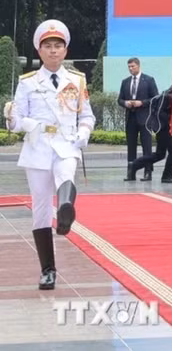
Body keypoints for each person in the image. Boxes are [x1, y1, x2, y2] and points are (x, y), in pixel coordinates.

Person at [3, 20, 95, 290]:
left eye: (58, 46)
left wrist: (84, 133)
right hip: (38, 146)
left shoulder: (76, 80)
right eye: (48, 46)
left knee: (66, 174)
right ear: (39, 51)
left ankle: (66, 210)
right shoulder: (28, 82)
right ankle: (48, 270)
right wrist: (14, 119)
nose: (53, 50)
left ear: (65, 50)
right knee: (41, 208)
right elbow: (17, 121)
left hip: (67, 143)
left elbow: (87, 116)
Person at [125, 83, 172, 183]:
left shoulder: (171, 93)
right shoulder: (170, 95)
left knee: (160, 154)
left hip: (161, 127)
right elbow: (161, 113)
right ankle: (166, 176)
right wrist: (171, 120)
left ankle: (134, 165)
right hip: (163, 127)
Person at [118, 58, 158, 179]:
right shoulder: (125, 82)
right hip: (131, 118)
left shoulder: (149, 80)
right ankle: (131, 172)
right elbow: (120, 99)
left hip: (144, 118)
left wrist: (142, 103)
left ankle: (148, 171)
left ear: (138, 66)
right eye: (129, 67)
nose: (131, 69)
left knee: (147, 146)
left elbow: (155, 98)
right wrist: (126, 103)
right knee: (131, 146)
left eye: (133, 66)